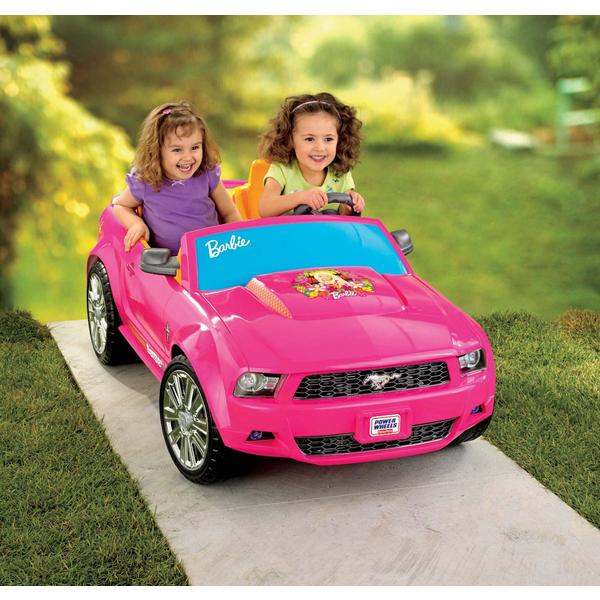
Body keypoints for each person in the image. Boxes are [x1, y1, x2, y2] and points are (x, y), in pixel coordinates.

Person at [112, 101, 242, 255]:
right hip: (168, 262)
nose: (188, 157)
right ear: (156, 150)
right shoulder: (146, 182)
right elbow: (121, 205)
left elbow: (229, 213)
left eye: (195, 147)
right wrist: (136, 224)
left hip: (211, 256)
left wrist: (237, 244)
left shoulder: (207, 174)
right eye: (177, 150)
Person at [258, 92, 365, 217]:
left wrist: (351, 205)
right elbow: (265, 208)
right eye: (309, 139)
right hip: (288, 230)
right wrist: (300, 197)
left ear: (339, 140)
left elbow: (344, 216)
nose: (319, 148)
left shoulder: (340, 173)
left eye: (328, 139)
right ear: (290, 140)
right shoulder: (282, 170)